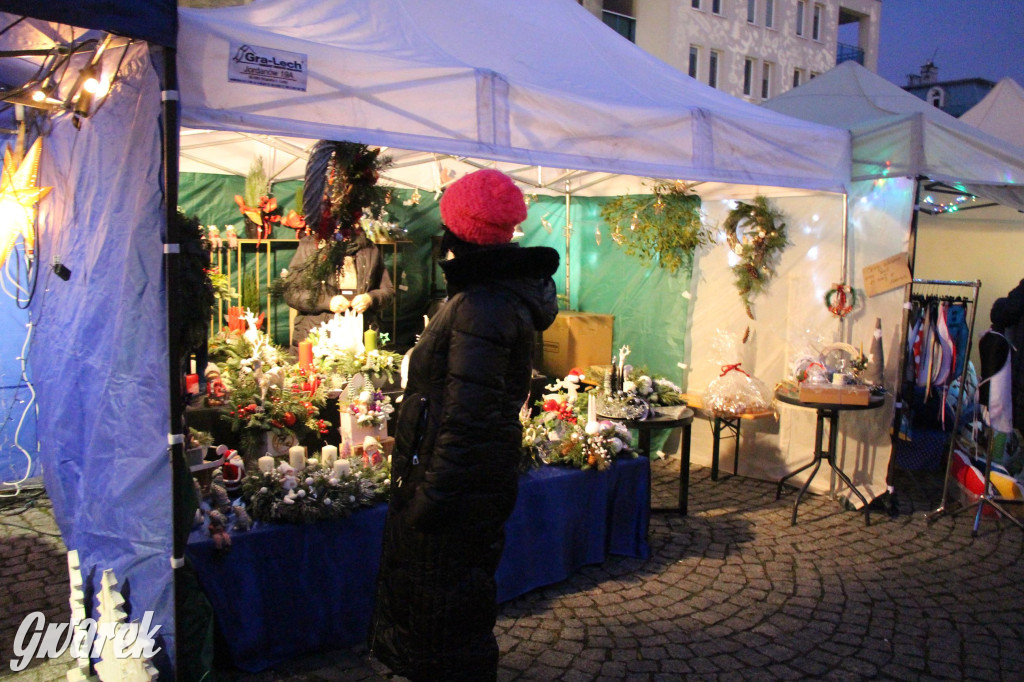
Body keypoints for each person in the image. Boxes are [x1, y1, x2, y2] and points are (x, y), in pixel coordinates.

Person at [369, 169, 559, 681]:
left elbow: (469, 418)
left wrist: (430, 496)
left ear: (459, 228)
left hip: (455, 496)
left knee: (443, 626)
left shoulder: (483, 305)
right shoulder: (487, 296)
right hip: (462, 488)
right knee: (448, 616)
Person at [280, 139, 394, 347]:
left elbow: (387, 291)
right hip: (318, 337)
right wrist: (327, 302)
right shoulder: (310, 246)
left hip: (359, 336)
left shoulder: (369, 248)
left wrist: (370, 299)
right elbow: (292, 292)